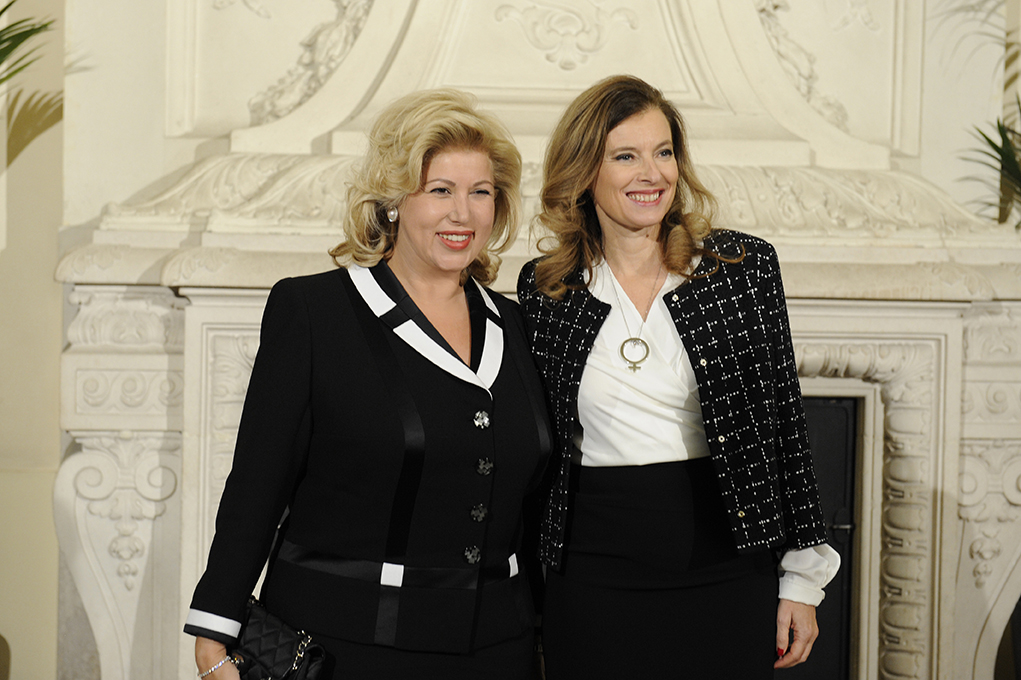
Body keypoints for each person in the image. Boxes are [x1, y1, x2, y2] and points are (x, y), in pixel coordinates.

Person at [185, 89, 551, 680]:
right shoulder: (315, 312)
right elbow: (258, 479)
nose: (463, 213)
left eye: (480, 192)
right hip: (345, 649)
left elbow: (533, 507)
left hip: (498, 651)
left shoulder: (517, 324)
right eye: (440, 191)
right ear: (392, 202)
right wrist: (215, 628)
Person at [517, 75, 840, 679]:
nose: (653, 173)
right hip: (590, 576)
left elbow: (785, 427)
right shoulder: (546, 289)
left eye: (664, 152)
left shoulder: (740, 269)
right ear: (585, 171)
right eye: (626, 156)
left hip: (726, 564)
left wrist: (802, 579)